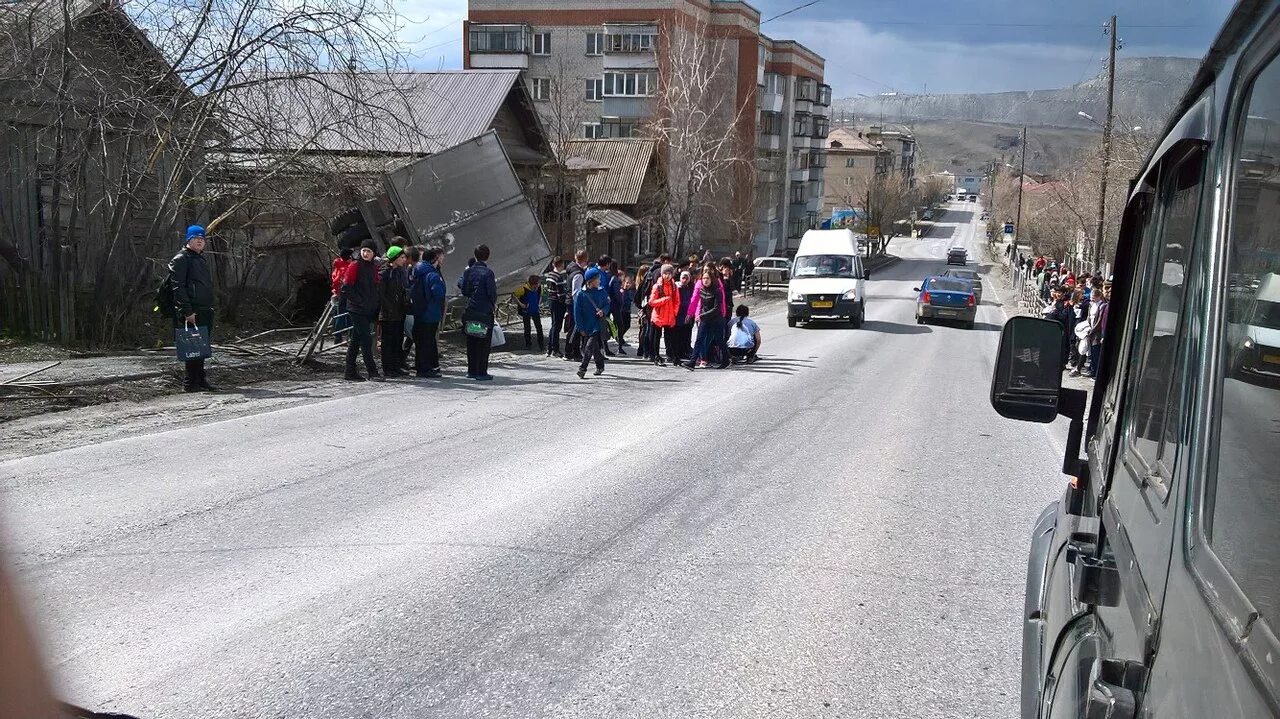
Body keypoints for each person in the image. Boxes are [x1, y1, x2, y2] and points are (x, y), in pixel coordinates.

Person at [168, 224, 216, 392]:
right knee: (192, 347)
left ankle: (201, 380)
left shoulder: (199, 258)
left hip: (204, 308)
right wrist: (187, 311)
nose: (200, 242)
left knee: (201, 346)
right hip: (192, 310)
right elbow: (178, 288)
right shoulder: (181, 259)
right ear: (189, 239)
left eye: (202, 239)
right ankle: (190, 383)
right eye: (196, 239)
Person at [341, 239, 383, 382]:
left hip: (368, 309)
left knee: (356, 340)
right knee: (366, 340)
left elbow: (375, 288)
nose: (365, 253)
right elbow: (346, 288)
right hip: (356, 309)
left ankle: (349, 370)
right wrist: (361, 302)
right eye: (363, 250)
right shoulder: (355, 266)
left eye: (369, 251)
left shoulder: (374, 267)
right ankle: (372, 372)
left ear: (373, 253)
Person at [460, 244, 498, 381]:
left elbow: (464, 290)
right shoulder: (488, 273)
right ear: (488, 256)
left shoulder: (468, 271)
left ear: (475, 256)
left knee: (472, 340)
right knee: (483, 342)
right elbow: (492, 293)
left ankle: (471, 370)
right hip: (484, 311)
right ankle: (481, 372)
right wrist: (492, 304)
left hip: (471, 309)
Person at [409, 246, 446, 378]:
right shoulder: (432, 274)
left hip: (419, 310)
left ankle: (420, 365)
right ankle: (426, 368)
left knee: (420, 340)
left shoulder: (416, 271)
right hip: (431, 312)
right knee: (428, 340)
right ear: (434, 259)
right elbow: (438, 293)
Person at [686, 266, 730, 370]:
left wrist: (702, 315)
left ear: (712, 279)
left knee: (720, 340)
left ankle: (726, 360)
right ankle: (692, 362)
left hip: (716, 319)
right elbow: (700, 304)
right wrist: (696, 314)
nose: (705, 280)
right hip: (705, 319)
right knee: (699, 340)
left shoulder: (717, 291)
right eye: (704, 278)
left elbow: (717, 308)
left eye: (707, 278)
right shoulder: (701, 290)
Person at [378, 244, 411, 377]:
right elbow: (382, 294)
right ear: (395, 258)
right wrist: (389, 307)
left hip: (398, 311)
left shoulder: (399, 272)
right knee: (388, 341)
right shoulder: (385, 272)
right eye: (402, 257)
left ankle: (396, 366)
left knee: (397, 340)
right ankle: (388, 367)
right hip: (387, 313)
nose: (404, 260)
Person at [573, 267, 610, 379]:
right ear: (590, 281)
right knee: (594, 348)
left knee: (588, 346)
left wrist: (603, 311)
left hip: (597, 325)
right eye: (597, 279)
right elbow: (577, 313)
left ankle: (582, 368)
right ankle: (600, 365)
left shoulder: (602, 291)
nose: (599, 281)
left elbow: (608, 305)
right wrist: (581, 328)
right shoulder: (581, 294)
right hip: (586, 325)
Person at [647, 263, 679, 367]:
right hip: (658, 316)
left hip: (670, 316)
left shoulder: (674, 286)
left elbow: (677, 301)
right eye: (665, 273)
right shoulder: (657, 286)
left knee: (671, 338)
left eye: (670, 273)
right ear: (662, 274)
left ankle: (674, 356)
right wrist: (663, 300)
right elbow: (651, 302)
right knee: (656, 337)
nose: (667, 276)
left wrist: (674, 312)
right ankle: (656, 356)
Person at [563, 250, 588, 361]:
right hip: (574, 303)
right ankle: (570, 352)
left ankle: (573, 351)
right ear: (586, 259)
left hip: (571, 302)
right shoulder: (578, 274)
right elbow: (576, 292)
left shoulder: (572, 269)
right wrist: (580, 305)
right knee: (574, 328)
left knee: (575, 328)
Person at [513, 274, 544, 351]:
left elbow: (541, 295)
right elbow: (514, 295)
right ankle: (528, 344)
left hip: (535, 310)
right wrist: (521, 304)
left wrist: (539, 303)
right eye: (537, 283)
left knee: (539, 327)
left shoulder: (540, 288)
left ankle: (541, 344)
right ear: (533, 283)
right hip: (526, 311)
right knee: (527, 328)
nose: (538, 285)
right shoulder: (523, 288)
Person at [543, 257, 567, 358]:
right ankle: (555, 349)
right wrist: (565, 305)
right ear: (561, 264)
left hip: (551, 301)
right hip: (558, 303)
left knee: (553, 325)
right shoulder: (558, 277)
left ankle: (549, 348)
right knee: (557, 327)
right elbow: (561, 294)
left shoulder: (549, 275)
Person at [330, 247, 354, 340]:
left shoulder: (338, 264)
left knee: (340, 315)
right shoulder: (347, 268)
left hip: (338, 293)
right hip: (345, 294)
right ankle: (347, 336)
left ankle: (338, 336)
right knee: (348, 315)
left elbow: (334, 280)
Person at [673, 269, 696, 365]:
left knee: (686, 335)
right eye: (683, 278)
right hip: (678, 314)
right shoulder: (677, 288)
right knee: (677, 336)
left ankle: (684, 352)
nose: (685, 280)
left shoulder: (689, 288)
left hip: (687, 314)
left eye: (687, 278)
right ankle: (676, 355)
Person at [619, 274, 635, 351]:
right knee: (622, 326)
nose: (628, 284)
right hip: (622, 310)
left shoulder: (630, 292)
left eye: (630, 283)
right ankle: (620, 338)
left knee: (627, 325)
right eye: (627, 282)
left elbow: (631, 299)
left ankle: (620, 337)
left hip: (627, 310)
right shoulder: (622, 291)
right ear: (623, 282)